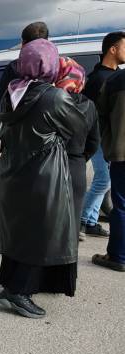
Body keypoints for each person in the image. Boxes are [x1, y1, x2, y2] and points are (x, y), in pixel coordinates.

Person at [0, 39, 90, 319]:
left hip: (13, 171)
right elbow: (79, 127)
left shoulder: (12, 92)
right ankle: (19, 291)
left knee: (19, 231)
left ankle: (10, 284)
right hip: (43, 173)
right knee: (41, 233)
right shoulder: (54, 97)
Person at [0, 22, 49, 253]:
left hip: (13, 142)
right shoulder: (59, 68)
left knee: (4, 191)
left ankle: (1, 238)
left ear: (23, 44)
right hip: (45, 145)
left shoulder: (15, 68)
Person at [80, 32, 125, 238]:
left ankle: (89, 220)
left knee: (104, 180)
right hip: (99, 137)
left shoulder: (115, 76)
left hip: (111, 138)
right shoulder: (98, 79)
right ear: (112, 49)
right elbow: (89, 113)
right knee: (103, 180)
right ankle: (83, 219)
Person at [55, 58, 100, 244]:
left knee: (50, 221)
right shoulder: (89, 105)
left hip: (51, 165)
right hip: (76, 166)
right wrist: (80, 157)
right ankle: (68, 271)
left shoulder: (52, 101)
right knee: (72, 222)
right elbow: (94, 142)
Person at [93, 67, 125, 272]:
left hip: (121, 153)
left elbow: (100, 115)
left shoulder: (116, 80)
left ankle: (118, 256)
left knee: (121, 205)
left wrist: (108, 145)